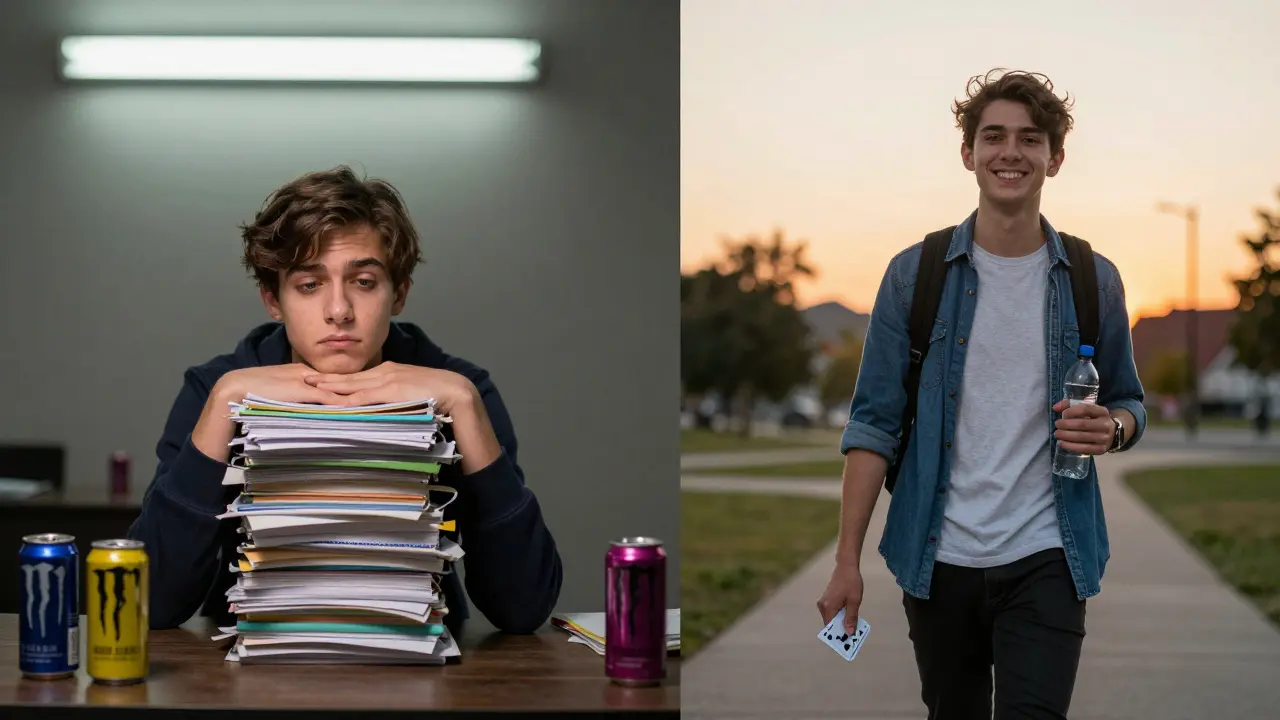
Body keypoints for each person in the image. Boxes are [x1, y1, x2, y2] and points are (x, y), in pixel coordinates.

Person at [816, 69, 1147, 719]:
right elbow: (873, 427)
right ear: (967, 153)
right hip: (940, 561)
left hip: (1049, 556)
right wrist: (846, 561)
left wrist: (1111, 430)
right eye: (993, 137)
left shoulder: (1091, 279)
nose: (1010, 153)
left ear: (1054, 157)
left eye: (1030, 139)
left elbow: (1131, 403)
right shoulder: (914, 276)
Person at [127, 165, 563, 636]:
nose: (339, 311)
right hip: (253, 648)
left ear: (399, 294)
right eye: (309, 285)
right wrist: (223, 405)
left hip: (423, 649)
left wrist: (465, 407)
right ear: (273, 301)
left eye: (364, 282)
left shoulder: (459, 390)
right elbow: (149, 604)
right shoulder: (216, 387)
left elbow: (523, 611)